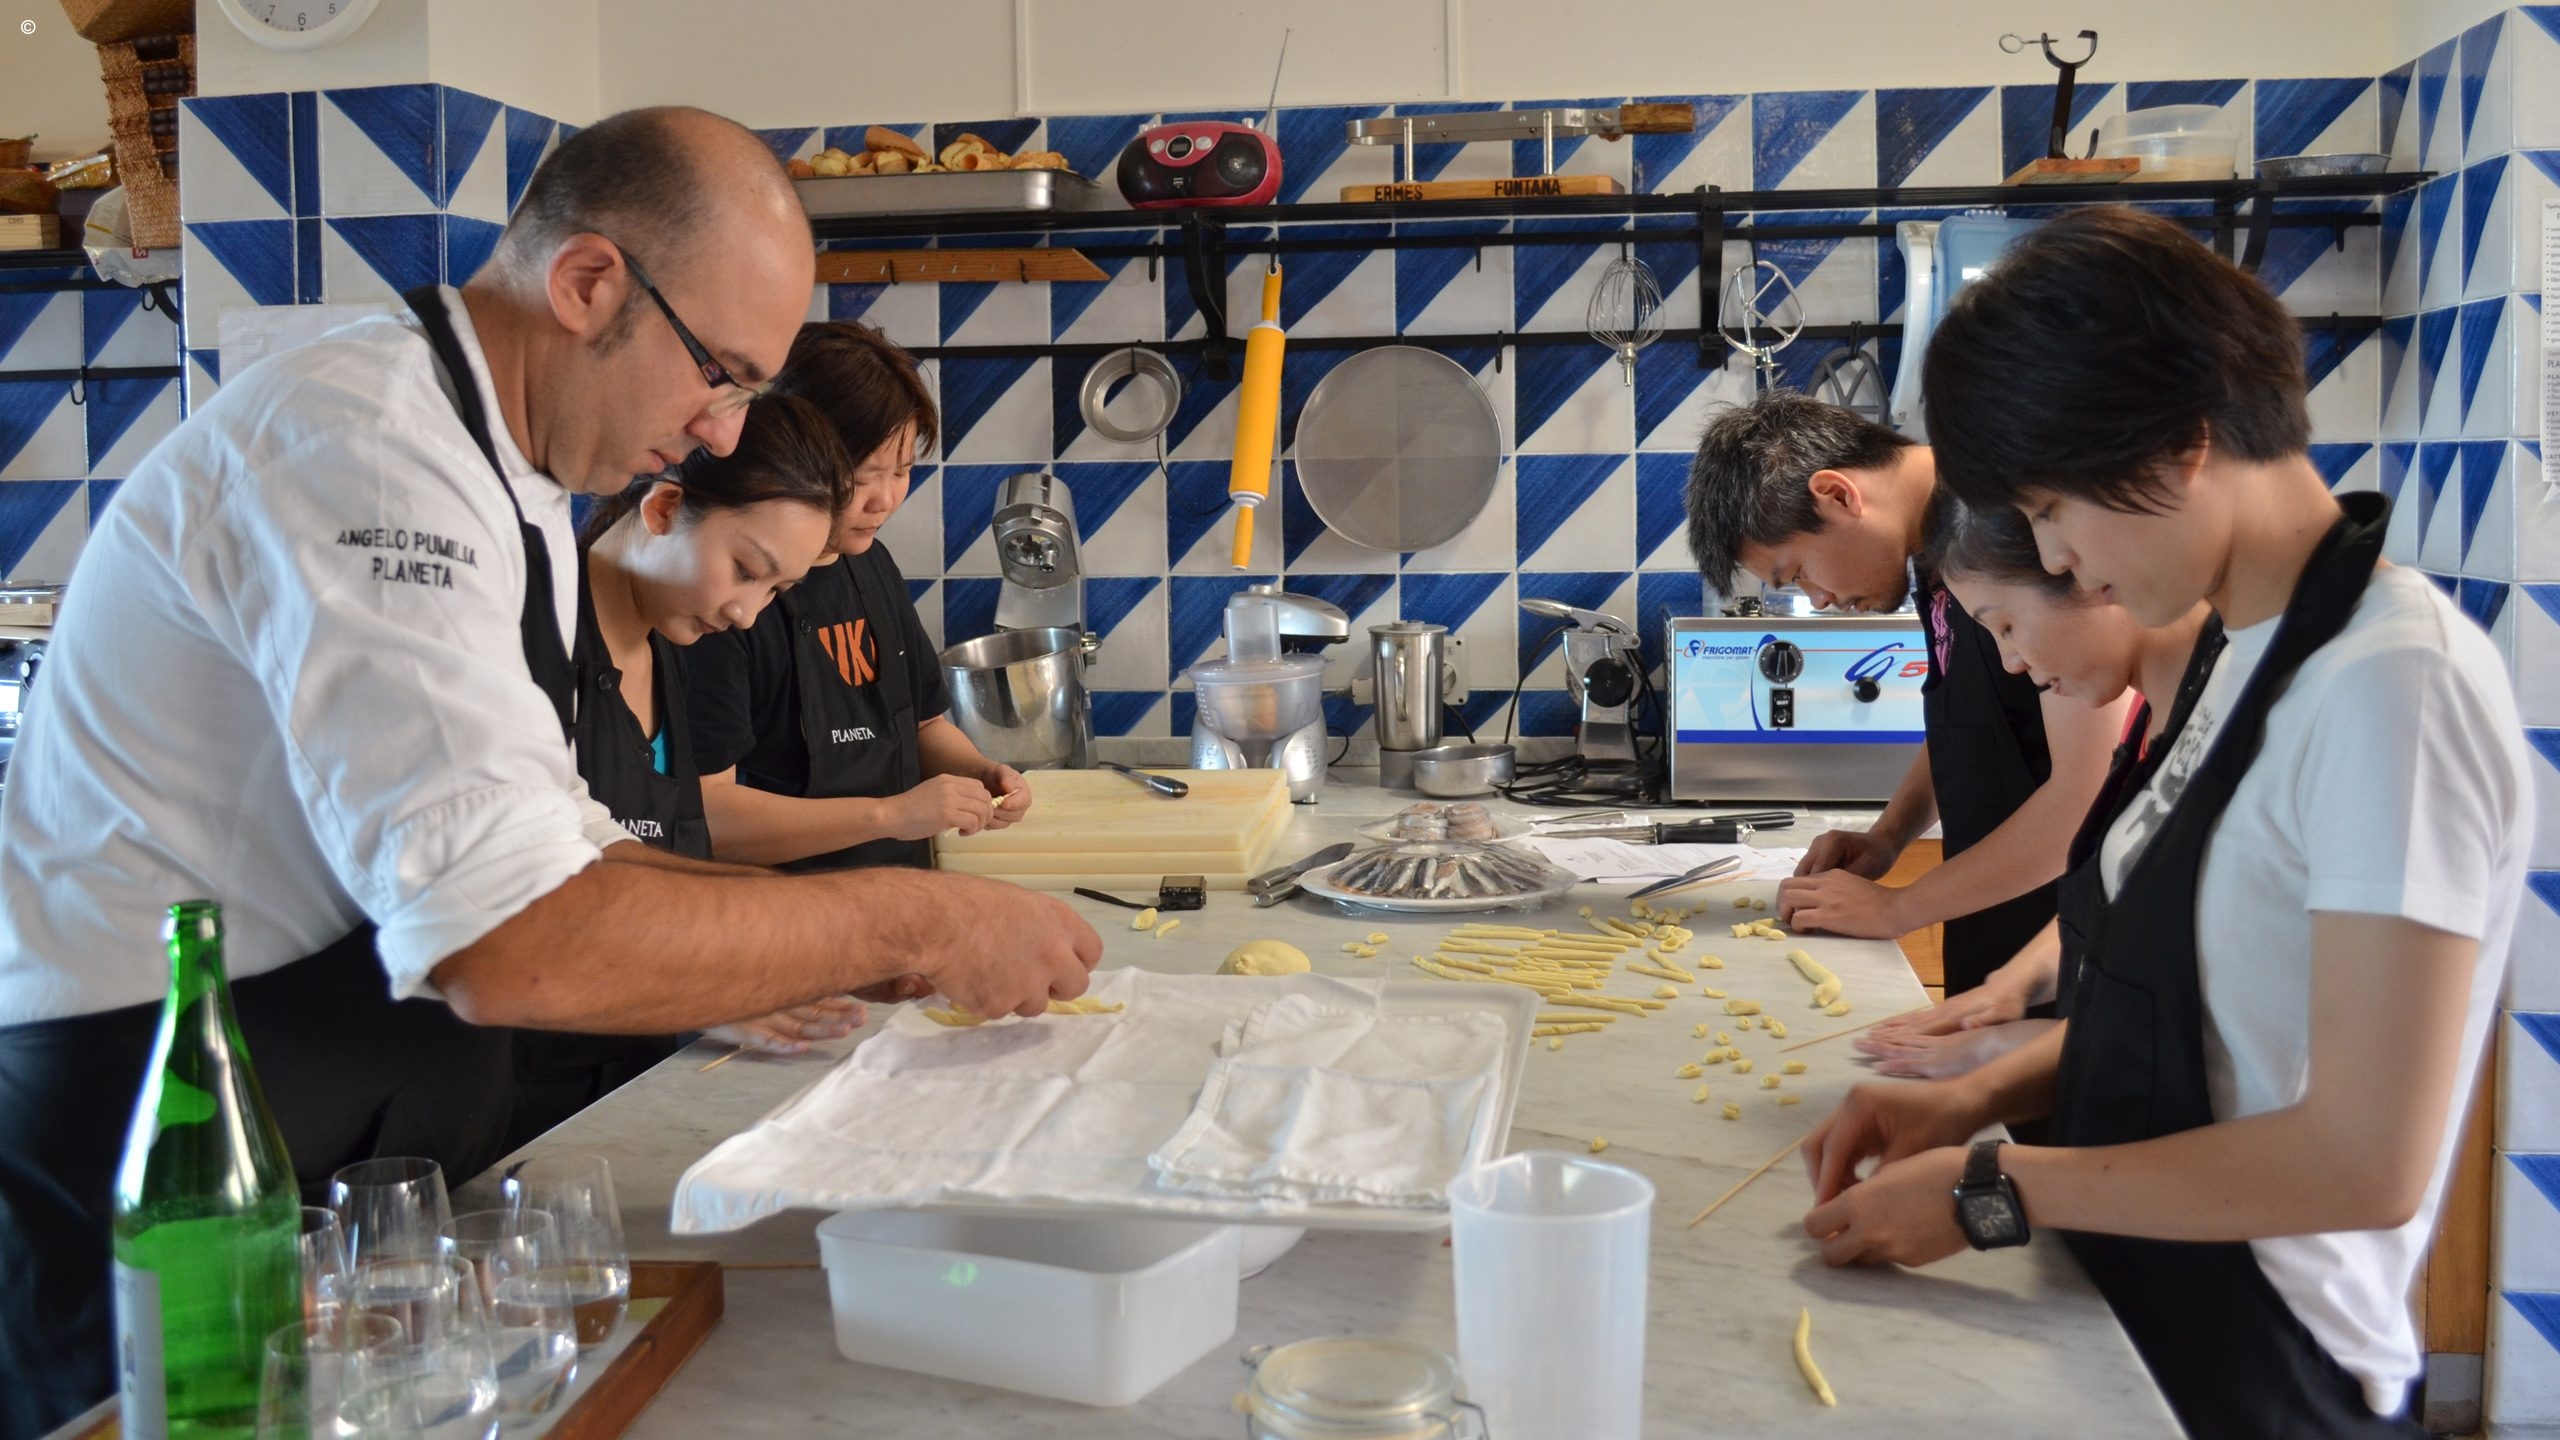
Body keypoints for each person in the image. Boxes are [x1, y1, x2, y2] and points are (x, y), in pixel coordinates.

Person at [0, 107, 1098, 1438]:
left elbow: (571, 844)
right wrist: (910, 918)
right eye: (721, 375)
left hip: (341, 1113)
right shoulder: (368, 453)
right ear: (587, 284)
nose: (721, 432)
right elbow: (509, 939)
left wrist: (833, 942)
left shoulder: (505, 477)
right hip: (175, 1142)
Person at [1799, 206, 2529, 1438]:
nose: (2054, 559)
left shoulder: (2392, 687)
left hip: (2270, 1365)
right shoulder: (2245, 659)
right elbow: (2197, 1032)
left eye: (2050, 509)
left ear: (2178, 448)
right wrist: (1973, 1099)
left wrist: (1995, 1188)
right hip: (2148, 1312)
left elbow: (2361, 1161)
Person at [510, 392, 864, 1151]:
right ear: (665, 508)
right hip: (515, 1109)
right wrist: (691, 992)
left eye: (775, 591)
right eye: (745, 570)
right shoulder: (530, 642)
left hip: (630, 1092)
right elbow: (518, 909)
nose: (746, 613)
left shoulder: (673, 645)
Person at [1684, 393, 2126, 993]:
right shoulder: (1932, 544)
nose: (1819, 600)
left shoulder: (2011, 524)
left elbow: (2086, 793)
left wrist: (1899, 907)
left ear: (1837, 495)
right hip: (1994, 937)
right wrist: (1887, 837)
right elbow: (1968, 719)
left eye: (1798, 572)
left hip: (2068, 951)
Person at [1853, 495, 2219, 1080]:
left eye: (2006, 626)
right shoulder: (2152, 723)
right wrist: (2011, 987)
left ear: (2086, 568)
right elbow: (2119, 900)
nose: (2011, 662)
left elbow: (2203, 1015)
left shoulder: (2238, 715)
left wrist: (2003, 1053)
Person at [687, 322, 1029, 871]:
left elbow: (921, 726)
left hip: (893, 881)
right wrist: (890, 815)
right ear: (797, 456)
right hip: (778, 899)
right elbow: (712, 816)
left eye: (902, 471)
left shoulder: (871, 565)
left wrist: (978, 773)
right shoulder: (727, 602)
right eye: (865, 475)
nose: (885, 499)